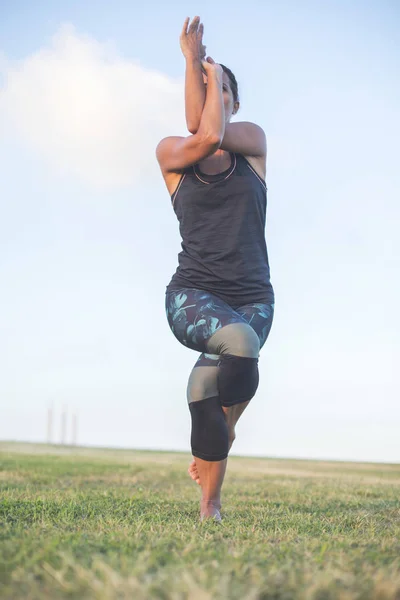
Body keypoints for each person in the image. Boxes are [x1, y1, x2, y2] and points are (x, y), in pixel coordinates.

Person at [155, 16, 275, 522]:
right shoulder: (173, 154)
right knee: (239, 346)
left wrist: (204, 72)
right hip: (193, 297)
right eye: (203, 91)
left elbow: (218, 132)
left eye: (219, 89)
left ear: (234, 101)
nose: (211, 97)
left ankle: (210, 507)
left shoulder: (253, 142)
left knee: (204, 395)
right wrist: (192, 63)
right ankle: (219, 440)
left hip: (253, 298)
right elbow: (201, 136)